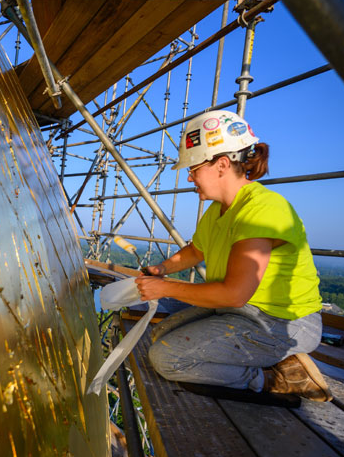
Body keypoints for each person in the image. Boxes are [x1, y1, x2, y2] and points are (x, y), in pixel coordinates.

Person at [135, 110, 332, 401]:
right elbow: (196, 250)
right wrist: (162, 269)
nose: (190, 177)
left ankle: (276, 377)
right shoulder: (217, 210)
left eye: (193, 168)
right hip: (245, 311)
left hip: (279, 322)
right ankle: (270, 361)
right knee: (161, 333)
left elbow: (235, 294)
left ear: (222, 164)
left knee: (167, 358)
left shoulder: (263, 209)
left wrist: (164, 288)